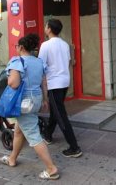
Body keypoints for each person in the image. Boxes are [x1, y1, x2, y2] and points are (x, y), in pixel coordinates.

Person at [0, 33, 59, 180]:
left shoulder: (17, 61)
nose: (16, 48)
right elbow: (44, 82)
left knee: (32, 134)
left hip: (24, 102)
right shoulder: (39, 62)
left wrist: (9, 80)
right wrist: (45, 99)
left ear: (21, 47)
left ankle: (51, 169)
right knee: (19, 130)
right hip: (36, 98)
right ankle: (12, 158)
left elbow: (13, 83)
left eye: (16, 46)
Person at [39, 19, 82, 158]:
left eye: (46, 26)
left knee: (61, 115)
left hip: (54, 84)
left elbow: (41, 66)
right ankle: (48, 135)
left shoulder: (45, 45)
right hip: (64, 82)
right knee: (55, 111)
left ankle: (74, 147)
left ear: (50, 29)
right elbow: (69, 62)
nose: (45, 28)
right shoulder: (65, 44)